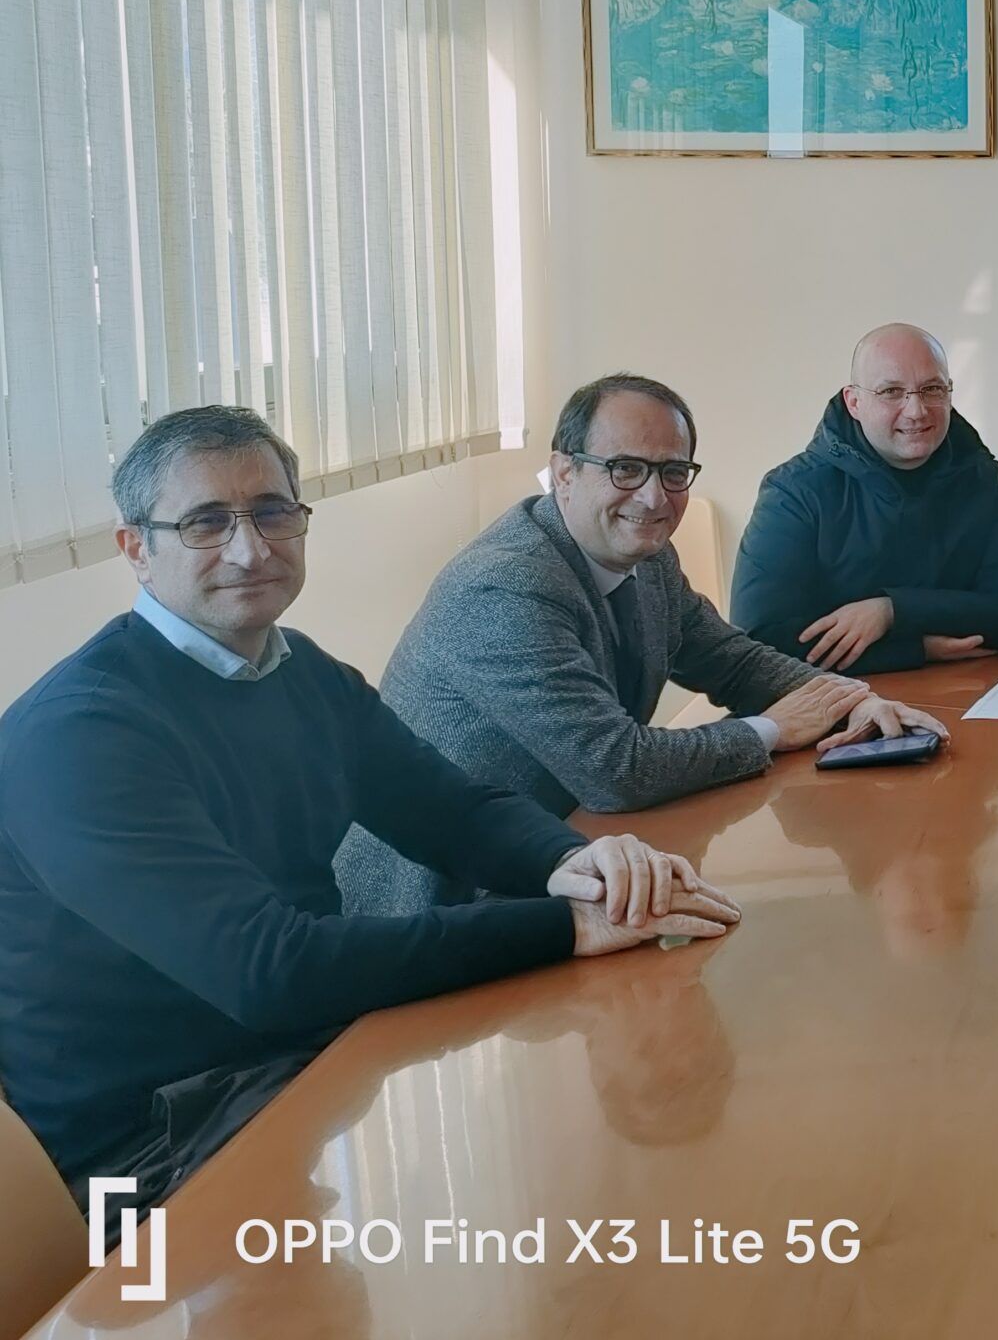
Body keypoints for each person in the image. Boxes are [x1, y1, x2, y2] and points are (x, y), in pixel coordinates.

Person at [0, 406, 737, 1211]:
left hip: (298, 1062)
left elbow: (450, 809)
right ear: (136, 548)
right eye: (206, 523)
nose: (250, 549)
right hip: (147, 1149)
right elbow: (266, 971)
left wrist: (575, 865)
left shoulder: (296, 672)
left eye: (273, 512)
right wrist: (567, 927)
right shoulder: (82, 735)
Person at [336, 374, 941, 915]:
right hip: (447, 905)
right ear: (565, 472)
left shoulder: (647, 557)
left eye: (673, 472)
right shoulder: (505, 584)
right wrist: (775, 730)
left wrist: (850, 701)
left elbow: (731, 659)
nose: (654, 498)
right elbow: (615, 770)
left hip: (571, 860)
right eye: (625, 469)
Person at [730, 323, 998, 675]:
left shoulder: (980, 475)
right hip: (838, 707)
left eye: (932, 389)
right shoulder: (794, 492)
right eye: (892, 391)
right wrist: (916, 648)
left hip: (970, 694)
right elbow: (759, 645)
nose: (916, 411)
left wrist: (891, 612)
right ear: (854, 402)